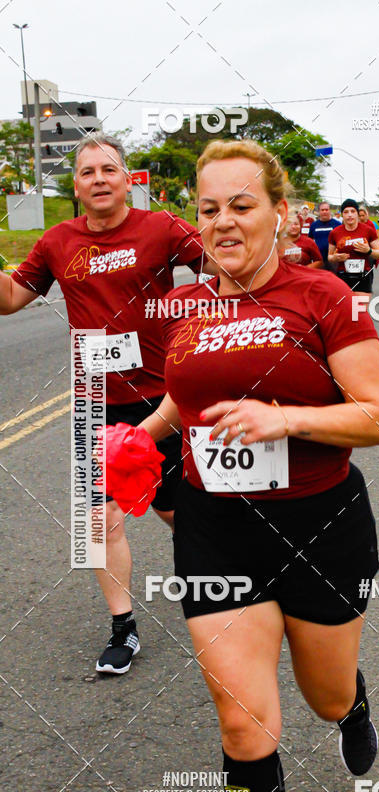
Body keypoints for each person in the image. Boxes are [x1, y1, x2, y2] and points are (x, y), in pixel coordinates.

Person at [134, 139, 379, 792]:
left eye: (241, 205)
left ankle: (354, 701)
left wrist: (286, 420)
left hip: (321, 525)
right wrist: (137, 438)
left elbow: (377, 419)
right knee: (244, 724)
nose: (223, 222)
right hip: (215, 527)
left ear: (279, 214)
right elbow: (186, 398)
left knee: (325, 699)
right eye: (208, 208)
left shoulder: (325, 298)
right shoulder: (182, 306)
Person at [0, 132, 209, 676]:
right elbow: (10, 300)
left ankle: (225, 581)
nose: (98, 179)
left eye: (108, 170)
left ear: (126, 179)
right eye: (87, 171)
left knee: (176, 509)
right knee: (99, 521)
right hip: (96, 402)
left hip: (166, 396)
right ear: (76, 185)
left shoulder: (161, 227)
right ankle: (124, 628)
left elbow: (219, 262)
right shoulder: (56, 241)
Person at [328, 198, 379, 296]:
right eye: (346, 212)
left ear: (357, 214)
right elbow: (329, 257)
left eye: (353, 211)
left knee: (360, 310)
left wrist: (369, 251)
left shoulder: (368, 230)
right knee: (346, 310)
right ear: (342, 215)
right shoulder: (334, 233)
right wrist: (335, 258)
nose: (349, 215)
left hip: (363, 276)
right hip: (342, 276)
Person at [308, 201, 341, 267]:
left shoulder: (337, 224)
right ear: (319, 211)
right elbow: (310, 240)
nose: (324, 212)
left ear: (329, 211)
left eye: (326, 210)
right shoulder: (314, 225)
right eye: (322, 210)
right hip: (319, 260)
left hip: (334, 260)